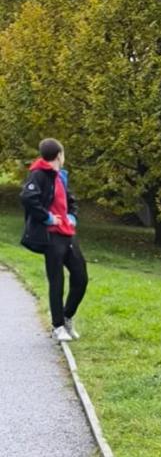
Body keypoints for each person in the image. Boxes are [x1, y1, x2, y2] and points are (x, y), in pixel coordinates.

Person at [20, 138, 88, 343]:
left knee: (80, 277)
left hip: (67, 233)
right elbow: (27, 197)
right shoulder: (39, 174)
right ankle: (57, 326)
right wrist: (48, 217)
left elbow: (69, 200)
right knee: (56, 281)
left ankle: (67, 317)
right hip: (50, 236)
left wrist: (72, 216)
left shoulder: (60, 176)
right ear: (59, 154)